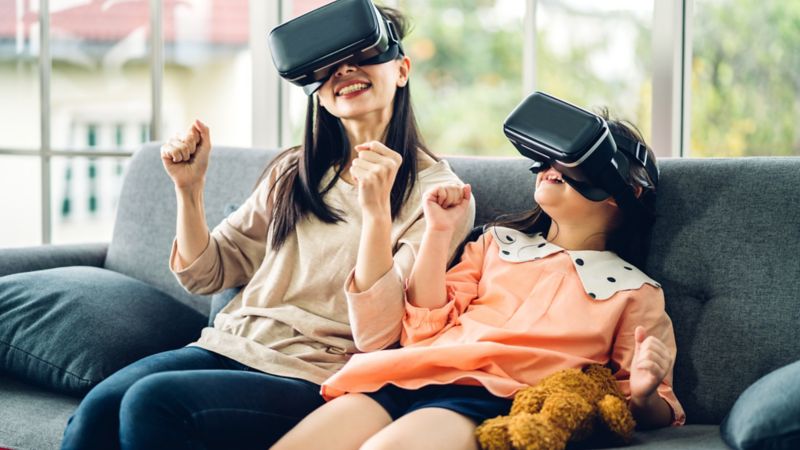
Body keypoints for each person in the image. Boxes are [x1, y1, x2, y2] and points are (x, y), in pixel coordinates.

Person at [59, 6, 474, 450]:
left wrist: (374, 212)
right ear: (316, 91)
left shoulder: (440, 195)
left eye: (364, 52)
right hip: (230, 346)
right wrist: (190, 188)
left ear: (402, 69)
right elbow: (206, 274)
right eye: (328, 63)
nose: (345, 69)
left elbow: (381, 333)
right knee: (99, 409)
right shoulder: (294, 172)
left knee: (154, 402)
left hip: (320, 374)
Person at [272, 114, 686, 450]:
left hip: (491, 399)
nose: (550, 167)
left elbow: (657, 405)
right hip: (406, 376)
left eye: (571, 160)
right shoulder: (495, 244)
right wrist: (437, 233)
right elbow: (421, 330)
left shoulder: (634, 291)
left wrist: (647, 393)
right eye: (548, 158)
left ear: (622, 192)